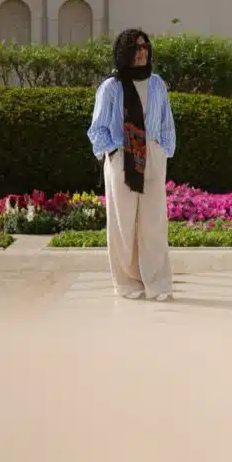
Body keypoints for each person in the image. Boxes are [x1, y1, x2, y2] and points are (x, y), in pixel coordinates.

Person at [87, 29, 176, 301]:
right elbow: (97, 129)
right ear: (124, 52)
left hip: (152, 155)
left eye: (145, 47)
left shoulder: (157, 84)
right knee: (123, 223)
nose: (141, 52)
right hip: (122, 157)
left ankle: (158, 282)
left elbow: (166, 121)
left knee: (154, 222)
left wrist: (161, 150)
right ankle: (127, 282)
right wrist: (114, 151)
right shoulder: (111, 87)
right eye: (135, 48)